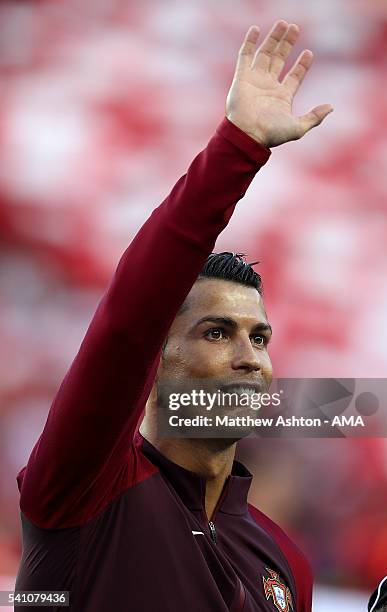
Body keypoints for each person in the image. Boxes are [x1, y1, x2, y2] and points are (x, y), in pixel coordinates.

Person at [15, 20, 332, 611]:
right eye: (217, 332)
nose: (249, 357)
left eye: (260, 338)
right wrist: (238, 148)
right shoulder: (85, 490)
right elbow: (128, 319)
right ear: (152, 364)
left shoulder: (285, 561)